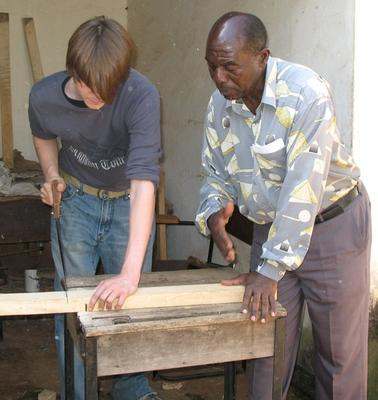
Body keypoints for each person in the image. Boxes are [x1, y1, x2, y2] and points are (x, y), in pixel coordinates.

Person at [196, 11, 371, 400]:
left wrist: (269, 268)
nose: (219, 78)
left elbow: (302, 188)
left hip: (333, 227)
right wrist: (215, 207)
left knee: (339, 359)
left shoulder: (306, 92)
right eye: (212, 67)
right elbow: (214, 171)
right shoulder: (220, 105)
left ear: (263, 57)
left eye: (229, 67)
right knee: (267, 354)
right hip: (273, 231)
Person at [28, 16, 162, 400]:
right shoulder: (44, 95)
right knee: (72, 301)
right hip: (75, 203)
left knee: (131, 299)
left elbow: (142, 185)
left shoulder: (142, 95)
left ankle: (131, 387)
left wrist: (130, 275)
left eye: (108, 91)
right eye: (88, 89)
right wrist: (51, 174)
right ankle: (77, 391)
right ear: (74, 70)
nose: (98, 99)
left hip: (126, 204)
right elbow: (43, 134)